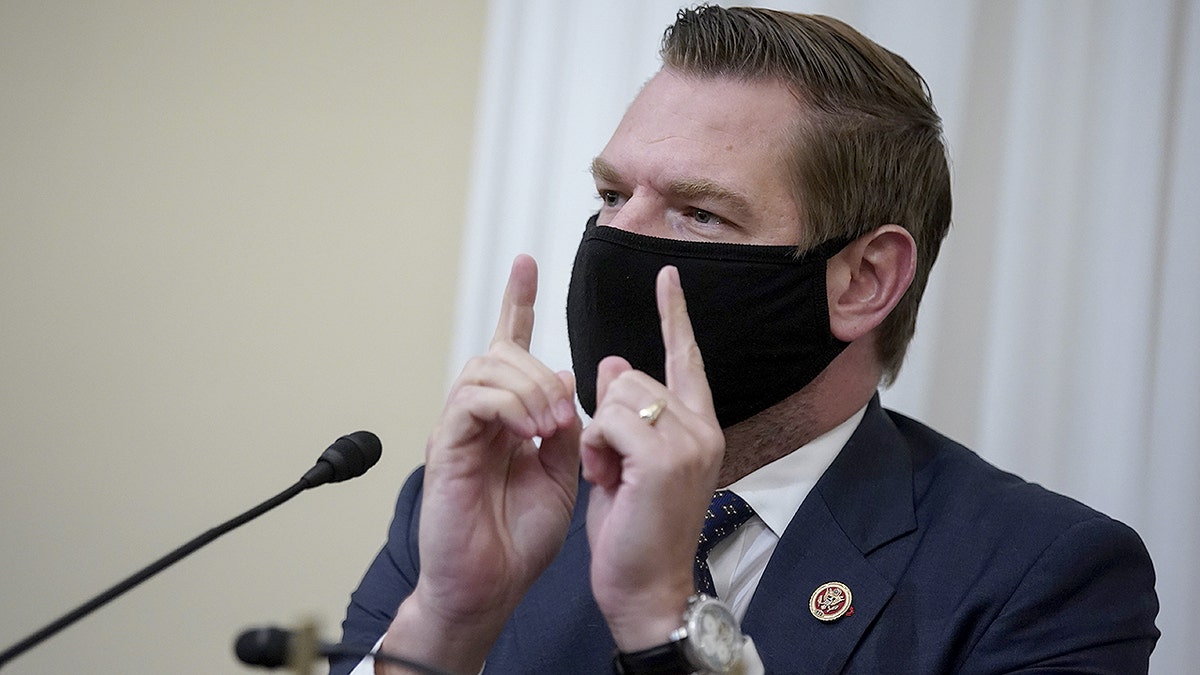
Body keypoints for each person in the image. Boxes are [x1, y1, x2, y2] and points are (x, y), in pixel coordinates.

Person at [334, 6, 1159, 674]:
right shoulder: (482, 513)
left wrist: (666, 624)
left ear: (864, 278)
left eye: (699, 212)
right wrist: (446, 621)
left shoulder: (1040, 578)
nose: (619, 240)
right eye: (613, 194)